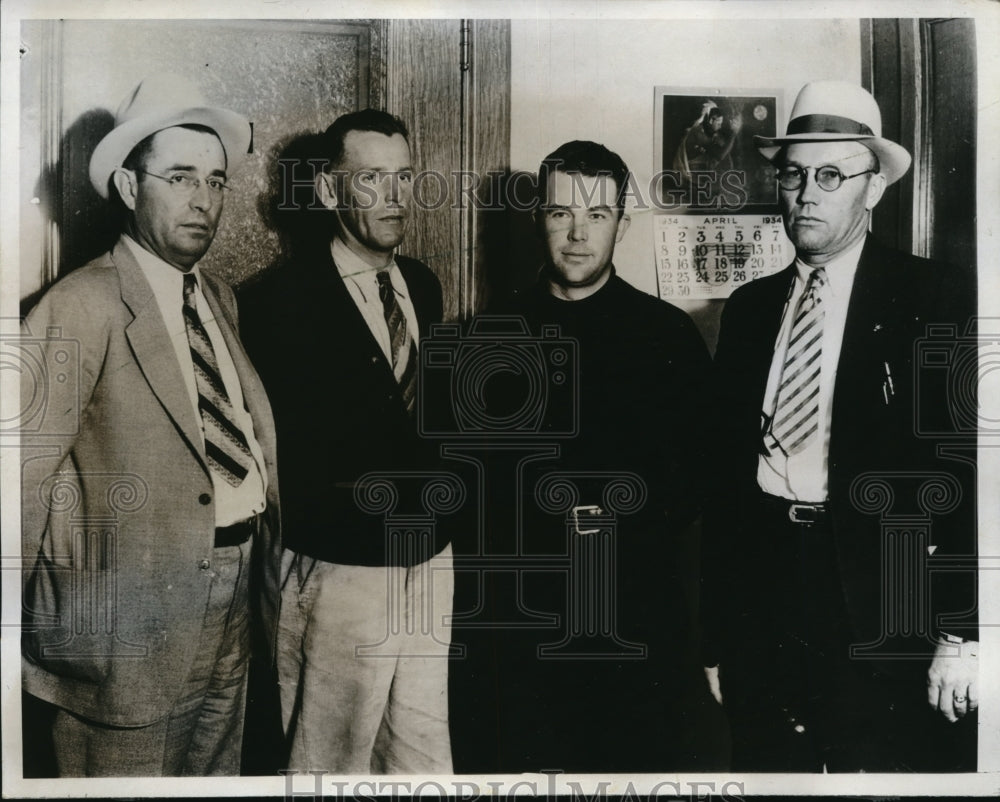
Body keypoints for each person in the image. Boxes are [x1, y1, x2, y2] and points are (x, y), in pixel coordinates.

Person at [701, 80, 978, 772]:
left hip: (881, 598)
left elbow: (970, 476)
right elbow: (724, 489)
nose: (806, 193)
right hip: (765, 596)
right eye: (793, 174)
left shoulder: (935, 298)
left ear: (873, 187)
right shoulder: (749, 309)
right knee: (771, 770)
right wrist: (715, 639)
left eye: (830, 175)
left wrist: (962, 635)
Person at [19, 73, 281, 777]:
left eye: (218, 181)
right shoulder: (79, 304)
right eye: (180, 177)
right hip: (124, 629)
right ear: (131, 189)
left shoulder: (218, 297)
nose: (204, 199)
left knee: (213, 776)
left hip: (232, 593)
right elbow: (19, 479)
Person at [465, 140, 729, 772]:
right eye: (561, 214)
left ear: (623, 224)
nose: (578, 234)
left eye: (598, 216)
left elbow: (702, 480)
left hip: (639, 618)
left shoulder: (668, 335)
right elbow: (470, 487)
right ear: (538, 220)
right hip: (524, 624)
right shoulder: (487, 335)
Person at [239, 109, 453, 773]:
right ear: (331, 192)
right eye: (371, 179)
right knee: (329, 765)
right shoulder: (277, 302)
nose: (394, 196)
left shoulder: (420, 283)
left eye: (404, 178)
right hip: (340, 573)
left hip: (428, 560)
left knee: (422, 757)